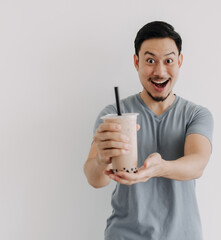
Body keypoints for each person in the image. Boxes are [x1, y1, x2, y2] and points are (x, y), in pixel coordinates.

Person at [84, 21, 213, 240]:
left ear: (179, 62)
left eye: (169, 61)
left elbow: (197, 164)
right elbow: (95, 179)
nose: (160, 71)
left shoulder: (195, 114)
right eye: (150, 60)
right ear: (136, 62)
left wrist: (159, 168)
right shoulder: (114, 113)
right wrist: (101, 161)